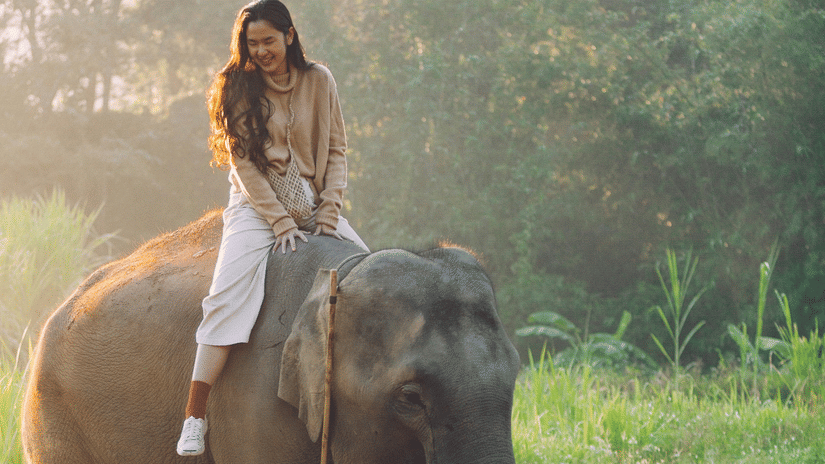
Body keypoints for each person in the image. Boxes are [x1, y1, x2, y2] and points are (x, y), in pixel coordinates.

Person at [176, 0, 368, 456]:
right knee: (224, 299)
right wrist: (279, 221)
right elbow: (242, 164)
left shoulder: (320, 80)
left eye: (268, 40)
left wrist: (328, 211)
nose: (260, 51)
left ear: (289, 35)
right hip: (255, 207)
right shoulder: (237, 86)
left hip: (315, 202)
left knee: (370, 278)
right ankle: (195, 416)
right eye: (251, 43)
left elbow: (338, 150)